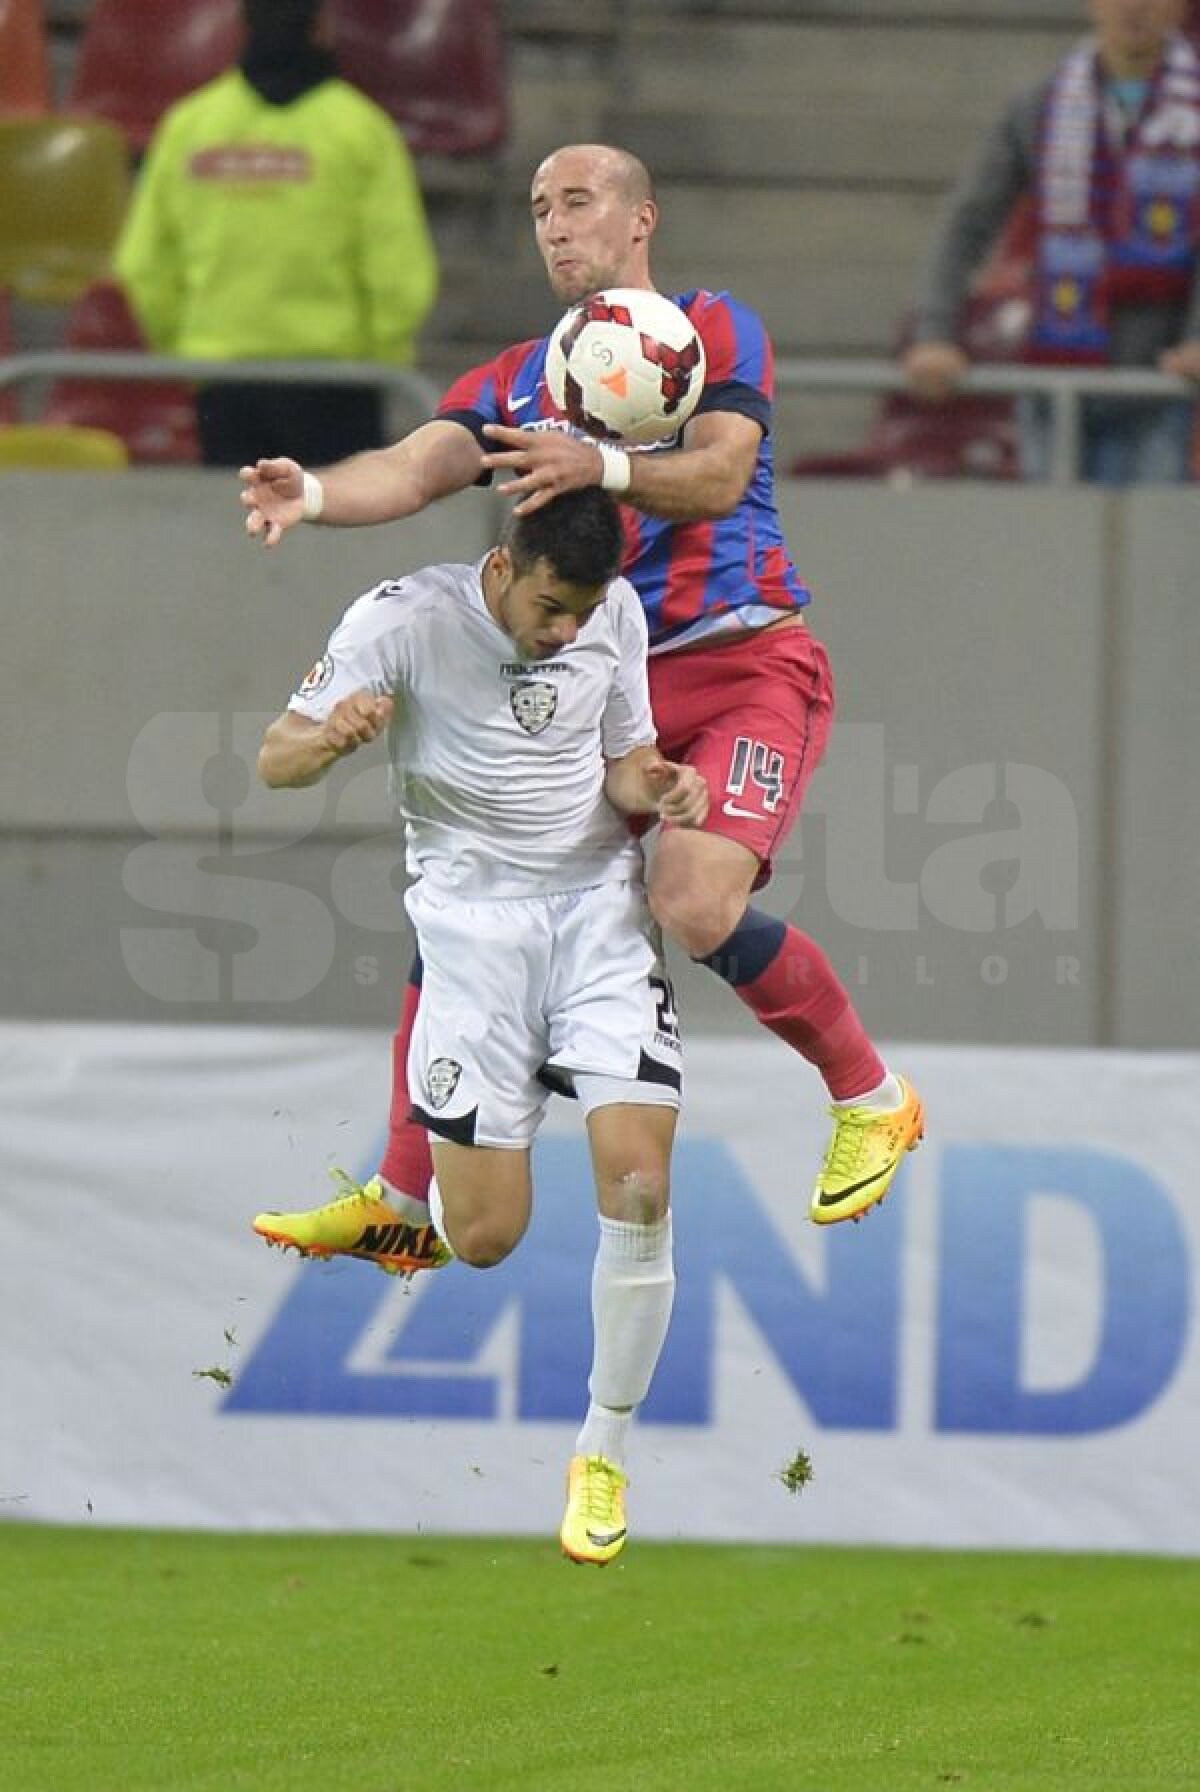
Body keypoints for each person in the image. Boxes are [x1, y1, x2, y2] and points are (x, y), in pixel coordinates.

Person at [239, 140, 924, 1275]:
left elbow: (714, 475)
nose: (555, 226)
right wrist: (311, 492)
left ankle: (872, 1093)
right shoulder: (518, 377)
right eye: (538, 210)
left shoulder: (709, 330)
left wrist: (595, 467)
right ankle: (404, 1193)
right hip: (615, 693)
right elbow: (412, 471)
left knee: (693, 902)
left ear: (641, 216)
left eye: (579, 202)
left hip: (745, 664)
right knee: (475, 874)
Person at [253, 487, 709, 1563]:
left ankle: (603, 1453)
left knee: (640, 1182)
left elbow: (623, 760)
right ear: (504, 567)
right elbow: (276, 754)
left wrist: (664, 786)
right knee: (487, 1238)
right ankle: (407, 1213)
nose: (564, 632)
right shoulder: (402, 618)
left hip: (599, 919)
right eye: (551, 608)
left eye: (580, 614)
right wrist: (332, 740)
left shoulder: (615, 615)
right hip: (469, 939)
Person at [113, 0, 438, 467]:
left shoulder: (191, 125)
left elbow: (142, 264)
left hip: (222, 377)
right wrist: (378, 359)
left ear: (242, 25)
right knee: (338, 530)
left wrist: (187, 352)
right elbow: (400, 272)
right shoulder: (361, 129)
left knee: (238, 529)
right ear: (322, 27)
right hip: (338, 380)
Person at [903, 0, 1200, 485]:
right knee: (1057, 548)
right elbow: (967, 221)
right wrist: (935, 333)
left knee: (1146, 553)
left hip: (1160, 388)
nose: (1135, 7)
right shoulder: (1039, 105)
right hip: (1053, 385)